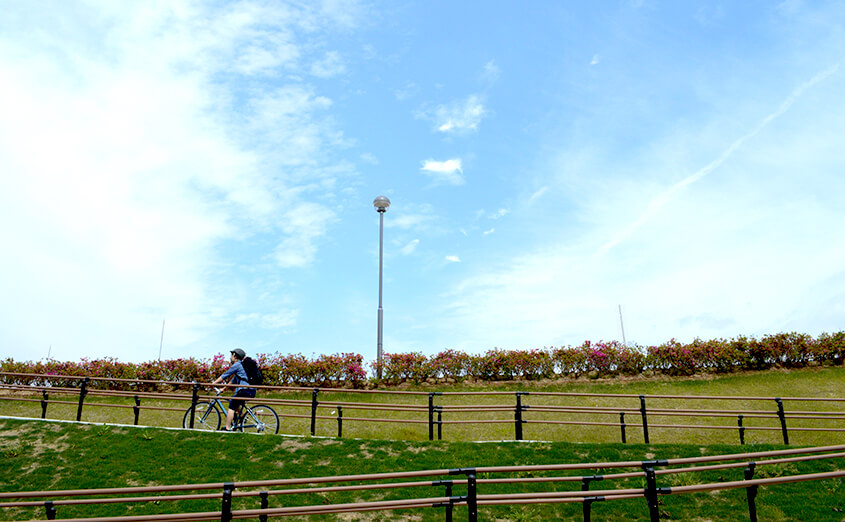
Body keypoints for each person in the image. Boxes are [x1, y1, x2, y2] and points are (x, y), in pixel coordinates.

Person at [211, 348, 256, 431]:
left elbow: (225, 375)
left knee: (232, 404)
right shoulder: (242, 366)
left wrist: (213, 383)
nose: (230, 357)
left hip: (245, 390)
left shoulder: (237, 365)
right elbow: (233, 380)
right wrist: (223, 389)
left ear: (235, 356)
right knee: (235, 402)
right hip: (250, 390)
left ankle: (227, 428)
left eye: (231, 355)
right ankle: (242, 417)